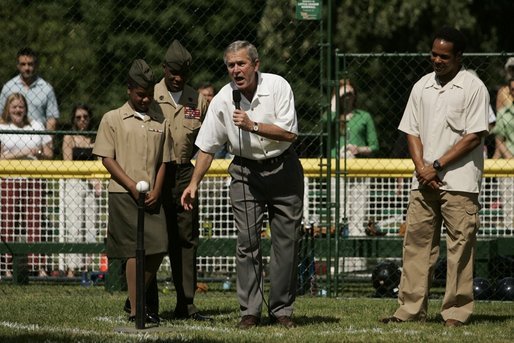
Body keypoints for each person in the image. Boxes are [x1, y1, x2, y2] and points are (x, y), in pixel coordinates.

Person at [181, 40, 304, 329]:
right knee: (248, 242)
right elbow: (208, 147)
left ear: (256, 65)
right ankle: (250, 311)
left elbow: (290, 133)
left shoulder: (278, 87)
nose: (236, 70)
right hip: (245, 173)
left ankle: (282, 310)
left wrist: (254, 126)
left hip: (284, 167)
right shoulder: (223, 99)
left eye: (241, 64)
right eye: (230, 65)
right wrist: (194, 183)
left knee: (286, 242)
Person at [381, 26, 489, 327]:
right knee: (415, 246)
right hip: (424, 180)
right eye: (433, 54)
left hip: (460, 183)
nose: (437, 60)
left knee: (460, 249)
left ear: (459, 57)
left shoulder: (474, 87)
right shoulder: (422, 86)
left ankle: (456, 313)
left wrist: (436, 166)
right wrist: (422, 169)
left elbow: (474, 136)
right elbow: (411, 131)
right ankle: (409, 310)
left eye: (444, 56)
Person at [92, 59, 171, 324]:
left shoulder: (160, 119)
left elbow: (164, 160)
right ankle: (138, 310)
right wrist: (129, 185)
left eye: (149, 94)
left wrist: (158, 189)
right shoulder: (113, 119)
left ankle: (132, 298)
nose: (146, 99)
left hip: (151, 195)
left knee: (159, 245)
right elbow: (106, 158)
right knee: (132, 251)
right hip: (123, 194)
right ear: (129, 89)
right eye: (140, 94)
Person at [154, 39, 210, 321]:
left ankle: (186, 303)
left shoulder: (195, 99)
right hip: (155, 173)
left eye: (182, 73)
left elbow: (207, 140)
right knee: (154, 238)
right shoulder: (150, 97)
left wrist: (195, 178)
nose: (177, 78)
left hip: (185, 173)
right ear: (164, 68)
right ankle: (143, 301)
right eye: (173, 72)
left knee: (186, 239)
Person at [0, 93, 53, 277]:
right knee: (8, 223)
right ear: (8, 108)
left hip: (33, 179)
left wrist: (37, 151)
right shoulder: (2, 127)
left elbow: (49, 152)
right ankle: (7, 266)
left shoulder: (36, 125)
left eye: (21, 106)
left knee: (34, 223)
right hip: (9, 179)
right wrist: (25, 152)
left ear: (26, 108)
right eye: (14, 106)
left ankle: (37, 266)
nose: (17, 110)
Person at [323, 79, 379, 237]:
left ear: (355, 96)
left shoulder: (364, 116)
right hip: (337, 167)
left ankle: (356, 237)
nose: (347, 97)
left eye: (350, 94)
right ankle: (339, 235)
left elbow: (374, 146)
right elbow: (324, 121)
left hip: (358, 168)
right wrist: (335, 98)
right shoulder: (333, 117)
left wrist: (358, 149)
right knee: (338, 206)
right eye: (343, 94)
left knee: (359, 207)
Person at [61, 104, 101, 278]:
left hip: (92, 184)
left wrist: (96, 179)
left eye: (85, 116)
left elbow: (100, 160)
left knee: (91, 226)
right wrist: (90, 174)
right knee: (74, 227)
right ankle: (71, 268)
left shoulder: (95, 137)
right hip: (75, 183)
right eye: (78, 117)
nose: (82, 120)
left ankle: (88, 268)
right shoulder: (69, 137)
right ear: (73, 119)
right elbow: (68, 163)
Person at [0, 47, 60, 131]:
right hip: (12, 138)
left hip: (38, 138)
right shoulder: (8, 87)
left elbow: (52, 118)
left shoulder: (46, 88)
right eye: (23, 64)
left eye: (30, 64)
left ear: (36, 65)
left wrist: (47, 140)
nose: (27, 68)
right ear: (18, 66)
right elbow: (1, 116)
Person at [491, 77, 514, 229]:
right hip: (509, 163)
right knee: (510, 212)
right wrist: (509, 156)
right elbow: (499, 137)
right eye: (512, 90)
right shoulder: (504, 112)